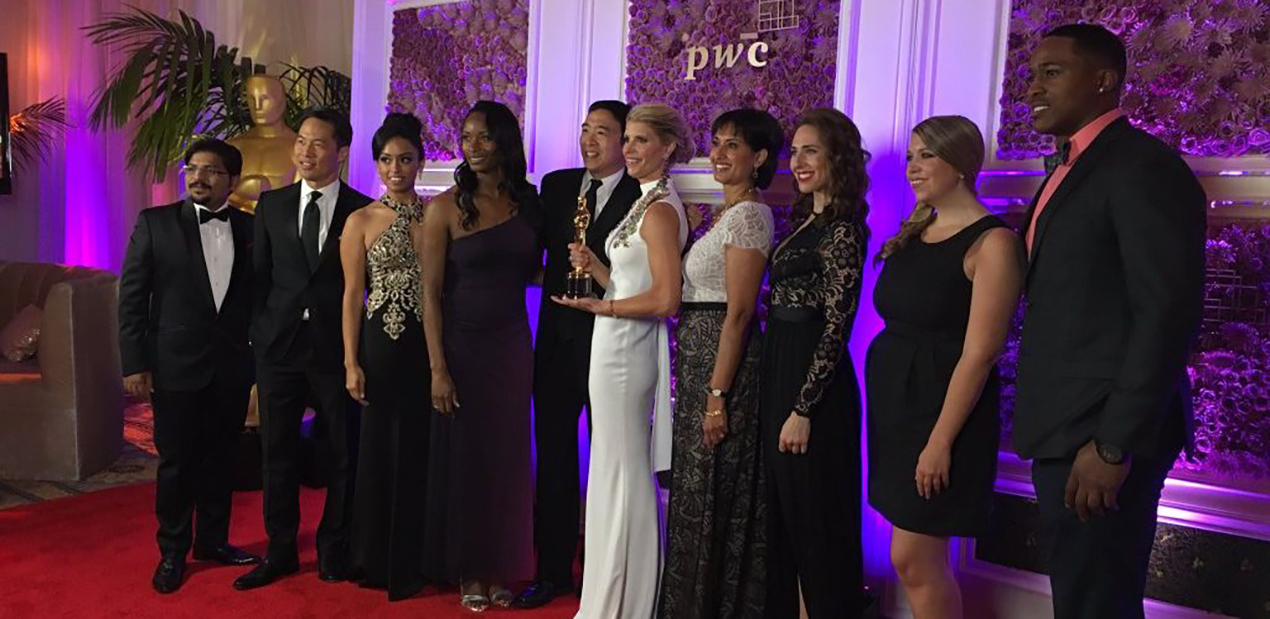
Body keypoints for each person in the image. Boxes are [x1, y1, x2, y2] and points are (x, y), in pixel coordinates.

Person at [1016, 24, 1205, 619]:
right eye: (1032, 75)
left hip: (1101, 434)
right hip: (1065, 424)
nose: (1032, 88)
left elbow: (1166, 312)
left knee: (1098, 604)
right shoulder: (1072, 166)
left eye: (1051, 73)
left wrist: (1114, 443)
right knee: (1083, 599)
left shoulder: (1142, 165)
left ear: (1104, 80)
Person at [866, 116, 1021, 619]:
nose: (913, 167)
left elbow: (981, 353)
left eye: (927, 155)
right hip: (897, 413)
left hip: (944, 415)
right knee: (911, 558)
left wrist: (939, 442)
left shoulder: (993, 242)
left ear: (961, 164)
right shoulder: (917, 229)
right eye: (911, 156)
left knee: (913, 560)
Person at [555, 102, 694, 619]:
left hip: (627, 353)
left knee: (623, 471)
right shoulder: (646, 200)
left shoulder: (659, 210)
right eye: (628, 139)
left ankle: (623, 602)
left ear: (668, 147)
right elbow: (632, 283)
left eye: (640, 140)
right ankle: (611, 595)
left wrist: (604, 308)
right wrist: (596, 268)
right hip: (614, 344)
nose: (629, 149)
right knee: (612, 469)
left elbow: (666, 299)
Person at [235, 108, 375, 591]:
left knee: (342, 454)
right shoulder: (271, 205)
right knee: (276, 452)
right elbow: (260, 277)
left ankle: (335, 548)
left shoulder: (362, 210)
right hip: (279, 349)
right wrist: (259, 332)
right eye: (301, 142)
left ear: (341, 151)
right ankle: (280, 550)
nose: (305, 151)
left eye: (318, 143)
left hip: (337, 352)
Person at [514, 100, 643, 610]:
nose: (589, 140)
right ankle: (551, 571)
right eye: (585, 129)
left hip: (613, 343)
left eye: (603, 132)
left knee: (612, 460)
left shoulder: (642, 194)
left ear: (625, 140)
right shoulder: (557, 185)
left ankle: (605, 574)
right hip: (555, 343)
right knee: (553, 457)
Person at [119, 138, 261, 594]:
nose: (199, 176)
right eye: (193, 168)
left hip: (232, 365)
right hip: (175, 364)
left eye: (211, 170)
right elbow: (132, 298)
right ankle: (173, 551)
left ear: (232, 180)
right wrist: (135, 363)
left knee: (221, 459)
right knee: (177, 463)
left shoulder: (251, 228)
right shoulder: (155, 223)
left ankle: (213, 541)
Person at [658, 108, 782, 619]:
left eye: (734, 145)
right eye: (716, 142)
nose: (719, 153)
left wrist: (717, 396)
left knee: (713, 485)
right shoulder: (727, 214)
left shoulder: (750, 215)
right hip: (699, 359)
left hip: (722, 366)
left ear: (760, 157)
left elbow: (740, 313)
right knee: (696, 484)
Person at [420, 100, 540, 612]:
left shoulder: (528, 203)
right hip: (462, 348)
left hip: (512, 346)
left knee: (507, 459)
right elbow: (429, 294)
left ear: (504, 142)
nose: (472, 145)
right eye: (466, 136)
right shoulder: (443, 208)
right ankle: (471, 568)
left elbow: (535, 270)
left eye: (484, 136)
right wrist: (438, 369)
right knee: (468, 460)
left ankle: (503, 566)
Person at [761, 108, 870, 618]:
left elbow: (836, 326)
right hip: (783, 366)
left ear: (837, 158)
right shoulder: (807, 220)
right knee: (791, 518)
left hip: (814, 385)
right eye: (796, 151)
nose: (798, 162)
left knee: (817, 519)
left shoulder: (845, 230)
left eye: (811, 151)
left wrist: (804, 408)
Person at [341, 112, 431, 601]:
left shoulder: (437, 216)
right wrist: (351, 362)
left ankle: (417, 558)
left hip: (425, 347)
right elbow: (352, 296)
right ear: (376, 163)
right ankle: (375, 558)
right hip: (378, 347)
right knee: (378, 450)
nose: (395, 169)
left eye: (405, 159)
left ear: (420, 162)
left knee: (421, 449)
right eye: (386, 160)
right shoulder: (360, 220)